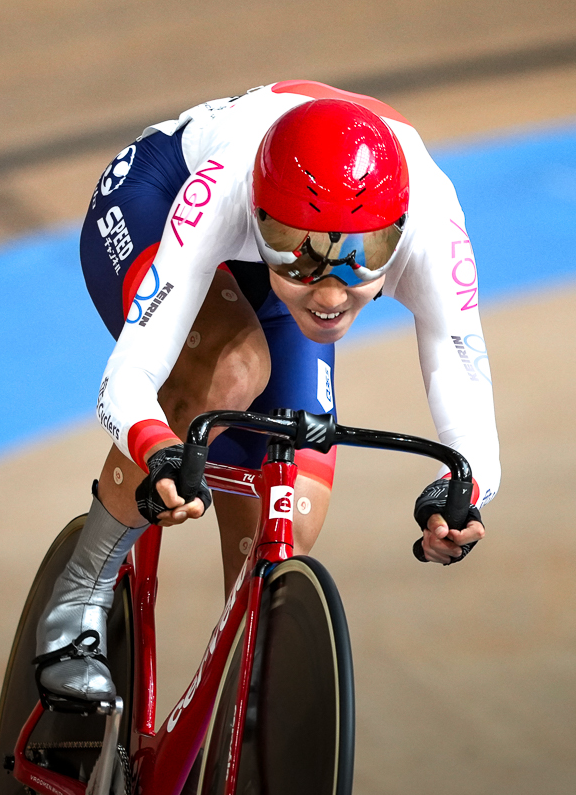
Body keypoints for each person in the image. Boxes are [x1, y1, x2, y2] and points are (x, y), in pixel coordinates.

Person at [35, 81, 500, 712]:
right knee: (229, 370)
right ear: (260, 218)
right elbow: (128, 379)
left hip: (268, 251)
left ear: (396, 233)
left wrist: (464, 495)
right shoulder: (224, 193)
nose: (331, 295)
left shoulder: (433, 227)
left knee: (292, 517)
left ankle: (224, 724)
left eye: (360, 261)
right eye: (300, 256)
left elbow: (466, 391)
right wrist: (159, 448)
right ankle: (79, 591)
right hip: (157, 196)